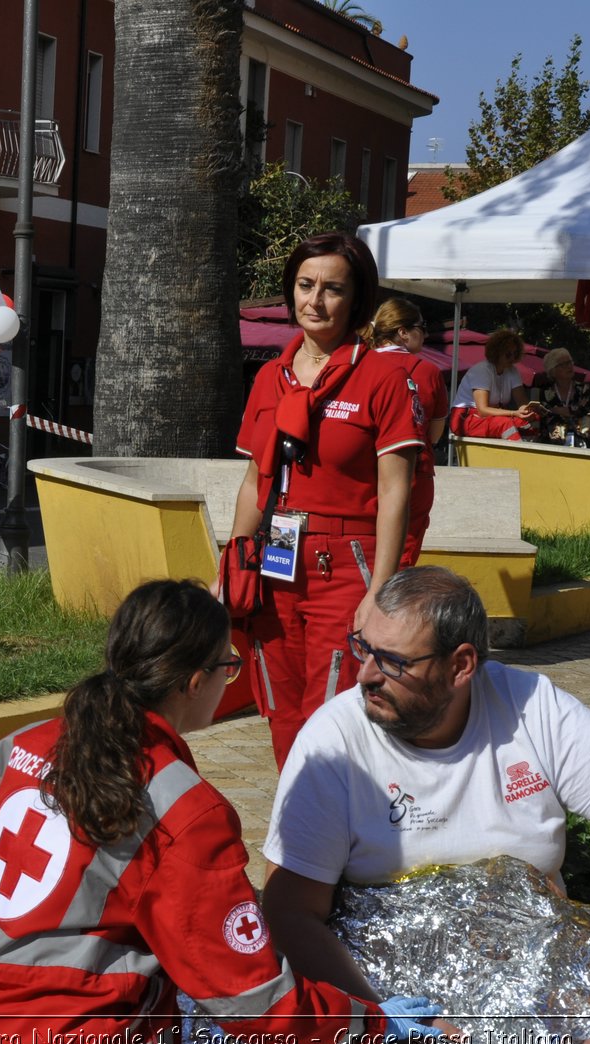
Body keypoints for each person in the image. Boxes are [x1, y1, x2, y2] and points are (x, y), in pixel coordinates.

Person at [0, 579, 445, 1044]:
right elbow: (254, 1002)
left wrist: (25, 957)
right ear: (195, 682)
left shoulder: (19, 747)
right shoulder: (184, 810)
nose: (229, 679)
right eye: (228, 666)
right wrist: (370, 1026)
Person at [261, 566, 590, 1044]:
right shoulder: (335, 742)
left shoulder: (532, 709)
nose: (365, 676)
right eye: (364, 647)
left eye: (394, 662)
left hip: (542, 972)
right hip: (387, 993)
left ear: (461, 665)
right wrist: (386, 1023)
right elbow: (290, 910)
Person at [228, 232, 423, 769]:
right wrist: (236, 558)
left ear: (355, 299)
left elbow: (395, 490)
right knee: (280, 703)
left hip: (347, 564)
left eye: (331, 288)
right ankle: (297, 827)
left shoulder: (384, 377)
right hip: (275, 561)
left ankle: (341, 833)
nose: (315, 300)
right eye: (305, 285)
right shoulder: (270, 377)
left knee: (336, 705)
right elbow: (254, 482)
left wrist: (380, 589)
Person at [368, 297, 448, 567]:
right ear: (402, 332)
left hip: (363, 472)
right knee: (401, 555)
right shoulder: (428, 372)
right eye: (421, 327)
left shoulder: (356, 366)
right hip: (412, 472)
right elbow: (434, 434)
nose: (424, 334)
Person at [448, 327, 541, 440]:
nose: (512, 358)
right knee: (504, 424)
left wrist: (528, 411)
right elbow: (483, 410)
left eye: (515, 353)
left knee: (526, 424)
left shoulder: (513, 371)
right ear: (497, 352)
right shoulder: (482, 370)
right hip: (465, 418)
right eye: (508, 354)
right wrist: (514, 413)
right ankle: (517, 454)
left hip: (491, 416)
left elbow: (522, 402)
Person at [532, 347, 590, 446]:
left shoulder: (584, 389)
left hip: (582, 444)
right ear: (552, 370)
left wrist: (556, 410)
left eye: (570, 362)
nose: (569, 366)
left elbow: (585, 410)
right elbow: (543, 413)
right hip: (551, 444)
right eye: (563, 364)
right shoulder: (544, 392)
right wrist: (566, 411)